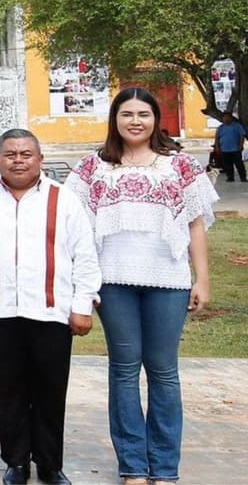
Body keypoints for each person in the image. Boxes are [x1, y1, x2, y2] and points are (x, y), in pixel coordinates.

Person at [64, 87, 218, 485]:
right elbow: (75, 230)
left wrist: (201, 277)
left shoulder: (180, 165)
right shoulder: (92, 167)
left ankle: (165, 468)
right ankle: (133, 466)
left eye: (144, 114)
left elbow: (196, 224)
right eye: (127, 114)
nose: (136, 121)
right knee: (124, 370)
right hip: (113, 282)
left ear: (155, 119)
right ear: (114, 119)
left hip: (168, 282)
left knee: (164, 371)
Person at [0, 129, 101, 485]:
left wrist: (82, 304)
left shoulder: (65, 200)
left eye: (26, 153)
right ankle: (16, 462)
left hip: (51, 311)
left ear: (40, 159)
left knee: (50, 389)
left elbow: (84, 255)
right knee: (9, 390)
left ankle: (49, 464)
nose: (18, 160)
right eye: (9, 154)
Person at [214, 112, 246, 182]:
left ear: (231, 118)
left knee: (239, 164)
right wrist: (217, 148)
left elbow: (242, 136)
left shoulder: (237, 126)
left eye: (228, 117)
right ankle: (230, 178)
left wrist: (241, 145)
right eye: (224, 117)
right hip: (224, 150)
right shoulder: (220, 128)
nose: (226, 119)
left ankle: (243, 178)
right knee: (227, 165)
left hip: (235, 149)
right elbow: (217, 138)